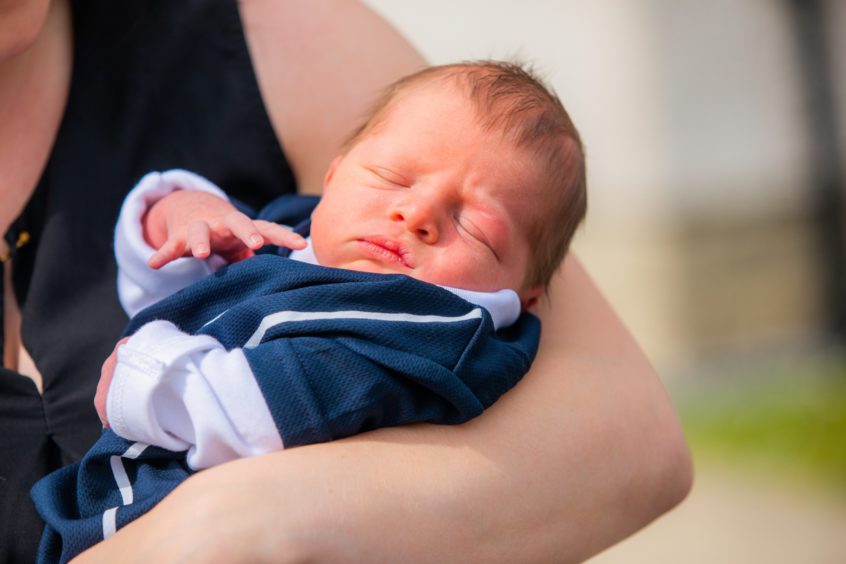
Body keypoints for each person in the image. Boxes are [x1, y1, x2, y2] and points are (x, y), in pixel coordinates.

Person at [1, 1, 691, 562]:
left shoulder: (411, 333)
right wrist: (182, 212)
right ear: (334, 175)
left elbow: (244, 411)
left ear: (526, 294)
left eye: (475, 228)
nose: (417, 214)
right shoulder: (302, 244)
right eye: (390, 180)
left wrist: (151, 376)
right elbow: (169, 296)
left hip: (126, 515)